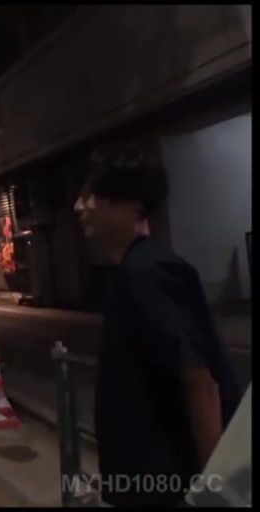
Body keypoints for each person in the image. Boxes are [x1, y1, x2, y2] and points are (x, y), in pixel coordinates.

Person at [74, 148, 241, 507]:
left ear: (131, 206)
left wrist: (212, 492)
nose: (79, 206)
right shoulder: (133, 270)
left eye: (91, 196)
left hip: (167, 487)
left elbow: (200, 380)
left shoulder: (149, 271)